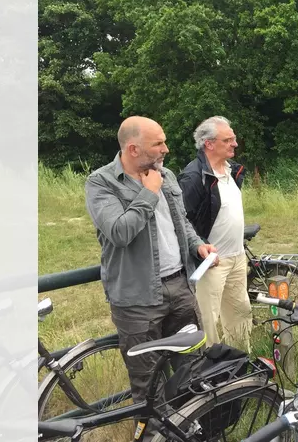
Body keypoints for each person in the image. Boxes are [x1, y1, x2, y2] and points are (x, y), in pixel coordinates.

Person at [84, 116, 219, 405]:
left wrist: (198, 246)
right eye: (158, 144)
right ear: (133, 149)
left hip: (180, 288)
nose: (166, 149)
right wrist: (149, 191)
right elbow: (120, 232)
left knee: (192, 370)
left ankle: (193, 431)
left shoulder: (166, 175)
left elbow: (179, 221)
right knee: (148, 384)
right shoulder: (101, 183)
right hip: (136, 299)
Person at [178, 116, 252, 350]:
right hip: (210, 263)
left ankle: (241, 367)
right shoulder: (193, 177)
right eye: (228, 139)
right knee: (208, 321)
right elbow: (182, 221)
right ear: (209, 144)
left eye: (234, 138)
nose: (235, 144)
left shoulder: (232, 170)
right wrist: (200, 250)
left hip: (237, 257)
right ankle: (210, 375)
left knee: (241, 314)